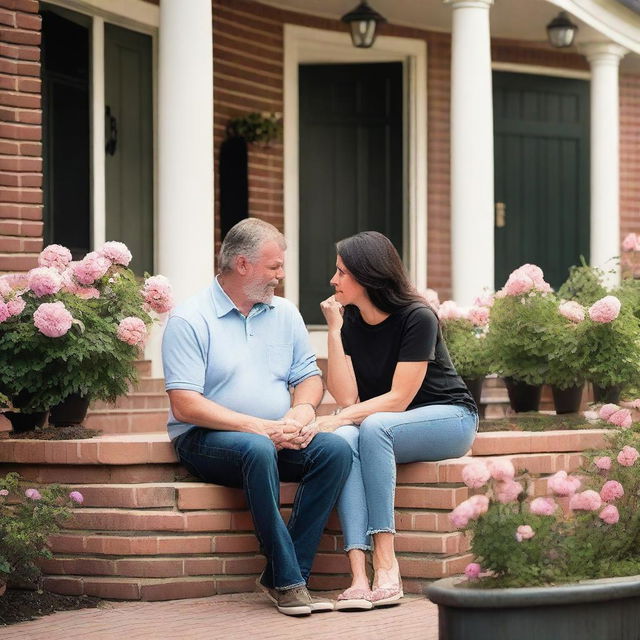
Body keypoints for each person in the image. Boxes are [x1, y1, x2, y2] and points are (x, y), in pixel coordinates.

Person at [162, 219, 352, 617]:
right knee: (256, 450)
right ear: (243, 264)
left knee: (334, 450)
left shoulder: (284, 313)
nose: (281, 276)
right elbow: (185, 404)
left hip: (272, 435)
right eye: (275, 267)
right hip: (207, 438)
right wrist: (259, 427)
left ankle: (284, 574)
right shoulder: (190, 319)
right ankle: (288, 581)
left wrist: (300, 413)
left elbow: (308, 378)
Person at [316, 231, 478, 611]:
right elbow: (346, 398)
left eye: (341, 272)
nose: (333, 280)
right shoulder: (352, 320)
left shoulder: (417, 317)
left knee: (371, 426)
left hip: (451, 419)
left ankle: (387, 565)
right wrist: (336, 331)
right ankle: (358, 572)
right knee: (347, 440)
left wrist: (334, 419)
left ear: (367, 275)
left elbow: (399, 399)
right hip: (388, 427)